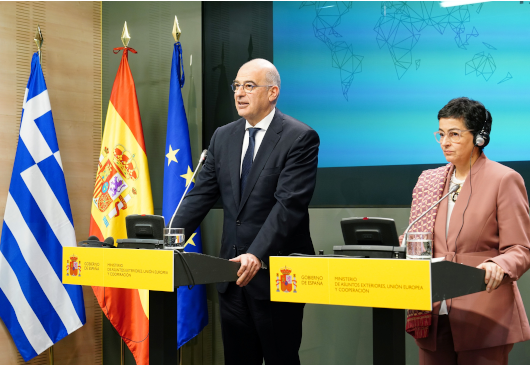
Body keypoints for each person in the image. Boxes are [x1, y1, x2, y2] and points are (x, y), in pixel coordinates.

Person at [170, 58, 319, 365]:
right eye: (236, 85)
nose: (239, 93)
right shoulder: (223, 137)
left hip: (277, 276)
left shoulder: (299, 138)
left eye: (249, 86)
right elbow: (200, 195)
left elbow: (288, 206)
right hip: (231, 277)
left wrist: (256, 254)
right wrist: (166, 239)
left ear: (273, 92)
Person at [402, 97, 530, 365]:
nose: (445, 142)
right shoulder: (430, 182)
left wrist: (498, 264)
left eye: (454, 134)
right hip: (433, 310)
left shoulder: (504, 179)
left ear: (479, 138)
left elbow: (520, 248)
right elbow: (417, 238)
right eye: (441, 134)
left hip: (482, 309)